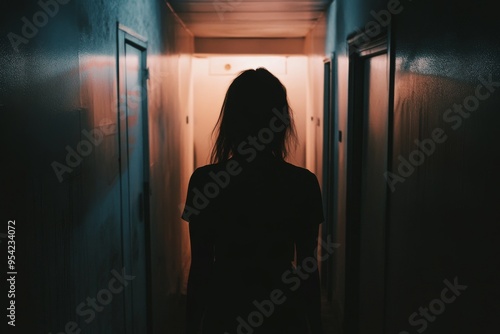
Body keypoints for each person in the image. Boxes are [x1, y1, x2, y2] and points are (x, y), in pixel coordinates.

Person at [182, 68, 324, 334]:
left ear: (231, 121)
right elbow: (307, 267)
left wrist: (191, 326)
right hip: (283, 313)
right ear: (280, 122)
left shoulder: (205, 181)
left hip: (225, 310)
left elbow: (201, 267)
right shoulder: (303, 183)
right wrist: (316, 326)